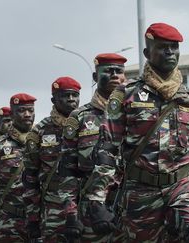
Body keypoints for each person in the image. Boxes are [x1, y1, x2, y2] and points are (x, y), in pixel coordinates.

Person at [91, 22, 189, 243]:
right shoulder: (126, 95)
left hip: (181, 186)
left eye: (174, 47)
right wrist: (96, 198)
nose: (170, 52)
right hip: (139, 192)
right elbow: (107, 149)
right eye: (163, 47)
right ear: (147, 53)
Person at [59, 53, 127, 242]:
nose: (114, 75)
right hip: (92, 210)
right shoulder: (79, 117)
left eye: (119, 71)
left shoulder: (138, 112)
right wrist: (71, 215)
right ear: (95, 77)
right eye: (108, 71)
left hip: (134, 204)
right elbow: (67, 171)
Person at [22, 77, 81, 242]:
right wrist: (33, 218)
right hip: (55, 209)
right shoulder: (39, 132)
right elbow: (30, 178)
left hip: (86, 204)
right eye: (65, 95)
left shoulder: (88, 124)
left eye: (75, 95)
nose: (71, 99)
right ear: (54, 99)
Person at [0, 93, 36, 242]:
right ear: (13, 114)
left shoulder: (42, 141)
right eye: (22, 111)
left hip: (42, 220)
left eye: (30, 110)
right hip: (10, 221)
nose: (27, 115)